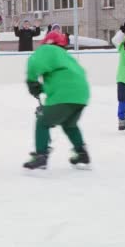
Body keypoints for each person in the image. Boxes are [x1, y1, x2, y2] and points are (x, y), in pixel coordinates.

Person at [23, 31, 91, 170]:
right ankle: (81, 153)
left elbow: (34, 62)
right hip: (81, 95)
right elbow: (63, 78)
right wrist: (42, 88)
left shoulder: (48, 49)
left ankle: (41, 155)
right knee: (69, 124)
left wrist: (32, 82)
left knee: (43, 122)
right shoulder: (66, 56)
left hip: (64, 95)